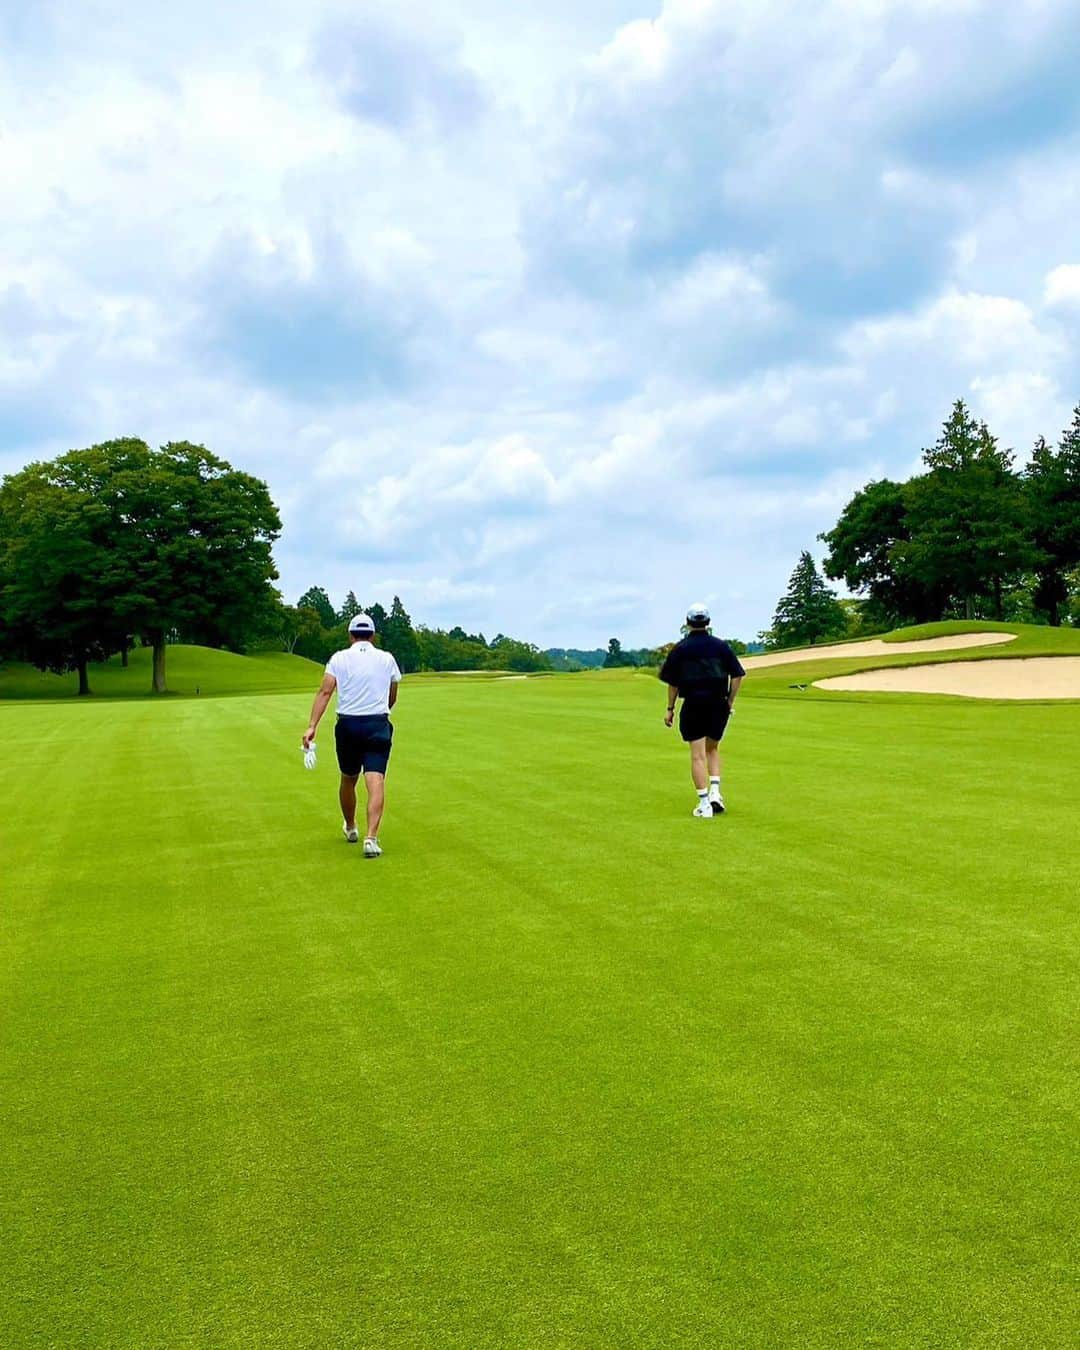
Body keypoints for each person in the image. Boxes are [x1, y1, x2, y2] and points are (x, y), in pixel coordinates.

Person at [302, 612, 402, 857]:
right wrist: (381, 712)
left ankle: (350, 827)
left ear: (350, 635)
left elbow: (325, 691)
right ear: (373, 635)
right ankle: (371, 838)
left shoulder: (338, 658)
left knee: (348, 778)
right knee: (375, 778)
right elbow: (392, 694)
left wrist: (312, 725)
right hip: (377, 723)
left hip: (347, 724)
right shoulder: (386, 658)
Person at [658, 603, 745, 817]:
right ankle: (716, 792)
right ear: (708, 622)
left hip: (693, 704)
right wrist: (729, 701)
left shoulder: (680, 649)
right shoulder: (720, 646)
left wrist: (670, 708)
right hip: (718, 703)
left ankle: (705, 803)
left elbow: (673, 683)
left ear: (688, 623)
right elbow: (737, 675)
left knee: (697, 755)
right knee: (712, 749)